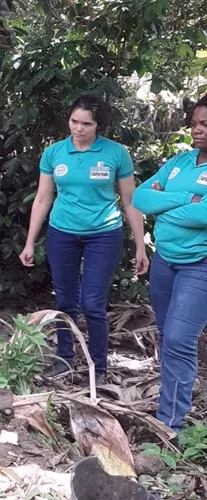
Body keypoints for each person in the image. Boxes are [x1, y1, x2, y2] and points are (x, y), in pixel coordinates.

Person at [19, 95, 148, 385]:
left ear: (98, 125)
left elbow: (130, 201)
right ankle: (64, 359)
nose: (78, 128)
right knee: (64, 300)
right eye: (74, 121)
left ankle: (98, 368)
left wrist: (140, 246)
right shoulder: (54, 153)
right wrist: (30, 242)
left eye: (86, 124)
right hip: (62, 232)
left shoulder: (116, 154)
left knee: (92, 303)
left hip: (104, 234)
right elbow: (42, 198)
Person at [132, 95, 207, 430]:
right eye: (194, 124)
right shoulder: (179, 162)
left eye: (205, 125)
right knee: (167, 335)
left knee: (179, 339)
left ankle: (170, 425)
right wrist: (184, 199)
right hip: (165, 261)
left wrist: (166, 205)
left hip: (199, 264)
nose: (197, 130)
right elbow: (141, 198)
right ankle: (170, 408)